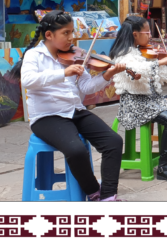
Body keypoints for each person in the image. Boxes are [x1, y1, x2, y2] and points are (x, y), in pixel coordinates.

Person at [11, 11, 126, 201]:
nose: (71, 38)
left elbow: (87, 87)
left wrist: (107, 75)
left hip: (75, 111)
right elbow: (28, 81)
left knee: (113, 141)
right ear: (49, 35)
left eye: (72, 32)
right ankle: (93, 191)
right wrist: (64, 73)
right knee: (76, 150)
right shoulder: (34, 55)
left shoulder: (74, 55)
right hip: (47, 116)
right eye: (66, 33)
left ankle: (108, 196)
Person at [109, 16, 167, 181]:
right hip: (134, 103)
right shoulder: (123, 55)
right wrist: (158, 62)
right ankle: (164, 167)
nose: (150, 35)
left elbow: (165, 76)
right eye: (147, 32)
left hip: (154, 100)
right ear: (135, 34)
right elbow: (137, 69)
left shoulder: (145, 52)